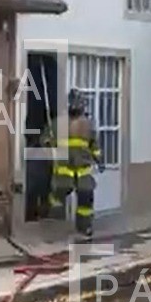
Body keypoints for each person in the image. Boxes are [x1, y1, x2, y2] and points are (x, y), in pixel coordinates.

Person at [42, 89, 103, 239]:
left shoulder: (88, 125)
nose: (78, 106)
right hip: (65, 169)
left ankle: (84, 226)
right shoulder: (58, 123)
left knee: (86, 199)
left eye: (80, 103)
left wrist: (99, 161)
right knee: (59, 195)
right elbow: (44, 140)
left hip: (83, 169)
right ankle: (50, 220)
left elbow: (94, 146)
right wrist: (49, 143)